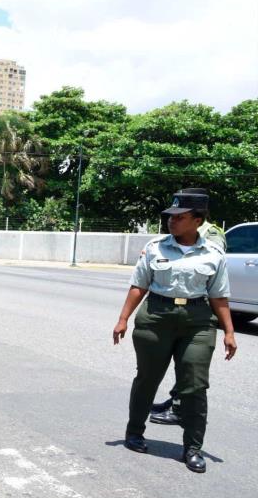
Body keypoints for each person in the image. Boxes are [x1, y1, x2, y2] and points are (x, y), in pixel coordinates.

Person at [113, 191, 237, 473]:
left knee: (194, 384)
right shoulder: (155, 247)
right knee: (147, 378)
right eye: (170, 217)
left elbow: (219, 297)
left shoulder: (214, 255)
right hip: (156, 317)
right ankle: (134, 433)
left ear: (197, 220)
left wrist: (229, 331)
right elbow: (139, 286)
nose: (171, 222)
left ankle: (192, 448)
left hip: (197, 321)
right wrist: (123, 319)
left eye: (179, 218)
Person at [150, 188, 227, 425]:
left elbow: (210, 270)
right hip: (178, 308)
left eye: (181, 209)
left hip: (198, 307)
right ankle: (175, 399)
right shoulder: (176, 235)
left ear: (197, 214)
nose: (174, 217)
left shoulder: (210, 234)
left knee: (190, 367)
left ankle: (180, 408)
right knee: (182, 363)